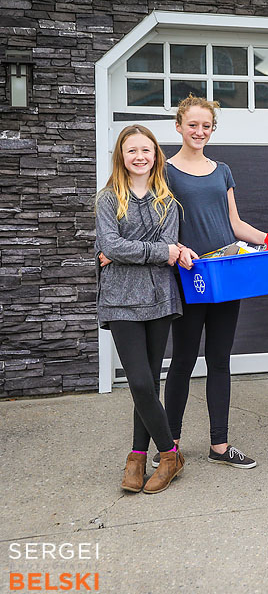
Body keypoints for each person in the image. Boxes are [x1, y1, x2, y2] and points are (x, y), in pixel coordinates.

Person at [161, 95, 268, 470]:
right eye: (193, 124)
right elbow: (159, 226)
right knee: (182, 361)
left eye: (206, 126)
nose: (200, 131)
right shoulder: (164, 172)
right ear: (179, 126)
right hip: (189, 275)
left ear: (213, 129)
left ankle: (220, 444)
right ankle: (171, 446)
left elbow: (234, 223)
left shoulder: (222, 170)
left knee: (219, 360)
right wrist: (177, 249)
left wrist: (267, 239)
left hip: (225, 276)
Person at [95, 124, 184, 494]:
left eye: (146, 150)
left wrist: (126, 251)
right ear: (121, 156)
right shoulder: (106, 199)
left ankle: (136, 456)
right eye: (132, 150)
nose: (139, 156)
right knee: (141, 382)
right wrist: (160, 253)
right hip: (120, 301)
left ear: (155, 156)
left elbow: (121, 249)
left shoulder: (168, 202)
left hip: (160, 300)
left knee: (147, 384)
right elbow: (111, 245)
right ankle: (169, 455)